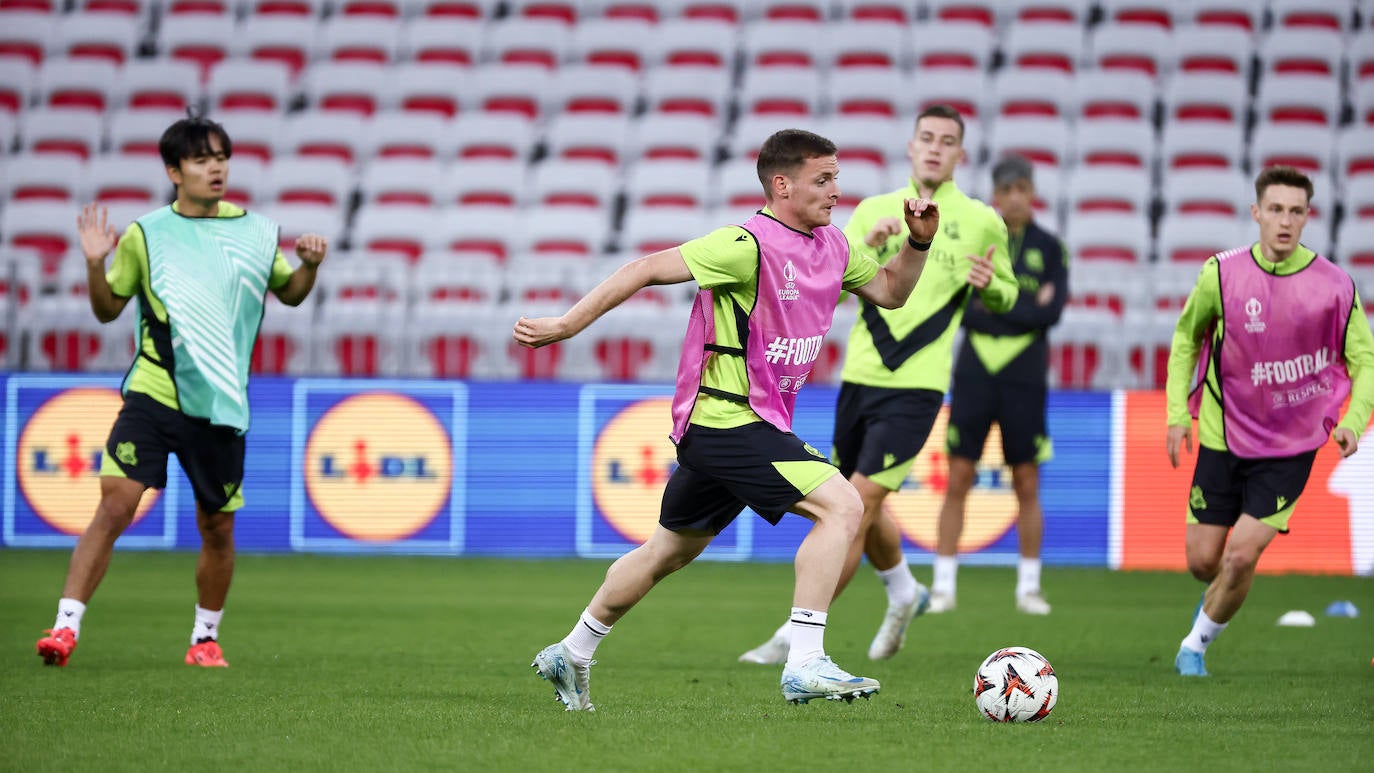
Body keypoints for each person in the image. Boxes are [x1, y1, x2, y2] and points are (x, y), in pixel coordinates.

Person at [516, 129, 940, 709]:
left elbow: (891, 292)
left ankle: (572, 652)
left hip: (754, 423)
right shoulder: (745, 244)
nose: (836, 191)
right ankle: (805, 660)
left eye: (836, 177)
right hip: (723, 419)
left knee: (667, 551)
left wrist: (917, 245)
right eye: (824, 179)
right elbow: (644, 268)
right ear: (782, 184)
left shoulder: (835, 247)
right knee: (842, 505)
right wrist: (566, 324)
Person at [35, 114, 328, 668]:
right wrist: (96, 263)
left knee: (216, 526)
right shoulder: (147, 234)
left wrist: (309, 267)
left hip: (220, 402)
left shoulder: (257, 231)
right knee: (116, 504)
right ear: (174, 171)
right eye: (200, 158)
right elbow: (106, 309)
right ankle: (64, 627)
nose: (215, 167)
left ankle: (203, 639)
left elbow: (290, 294)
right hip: (153, 390)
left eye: (221, 156)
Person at [739, 104, 1016, 666]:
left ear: (961, 155)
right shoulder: (870, 211)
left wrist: (992, 288)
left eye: (947, 141)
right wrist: (885, 246)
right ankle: (903, 590)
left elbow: (1008, 294)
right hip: (860, 376)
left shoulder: (983, 220)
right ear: (911, 147)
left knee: (858, 501)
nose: (935, 148)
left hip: (919, 384)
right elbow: (827, 289)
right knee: (862, 502)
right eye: (926, 138)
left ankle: (797, 635)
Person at [1166, 166, 1374, 677]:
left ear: (1308, 217)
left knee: (1239, 558)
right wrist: (1178, 413)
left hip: (1292, 442)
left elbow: (1364, 360)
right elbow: (1186, 339)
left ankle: (1194, 646)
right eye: (1275, 209)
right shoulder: (1222, 273)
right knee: (1203, 562)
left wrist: (1352, 420)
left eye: (1296, 211)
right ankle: (1214, 599)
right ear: (1256, 213)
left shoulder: (1334, 286)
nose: (1285, 220)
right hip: (1223, 432)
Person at [930, 154, 1068, 616]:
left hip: (1024, 372)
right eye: (1006, 190)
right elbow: (959, 306)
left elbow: (1051, 313)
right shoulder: (974, 239)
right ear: (995, 195)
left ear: (1031, 194)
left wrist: (996, 306)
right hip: (974, 369)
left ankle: (1029, 587)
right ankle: (943, 585)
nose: (1013, 198)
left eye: (1021, 189)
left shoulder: (1050, 247)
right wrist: (1022, 305)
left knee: (1027, 480)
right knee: (959, 476)